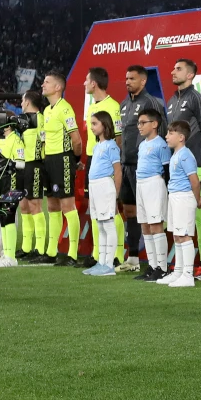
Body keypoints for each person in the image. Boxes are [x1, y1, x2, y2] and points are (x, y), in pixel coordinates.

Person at [165, 58, 201, 280]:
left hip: (195, 166)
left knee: (198, 212)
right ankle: (183, 266)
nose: (172, 72)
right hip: (177, 167)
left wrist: (198, 157)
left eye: (178, 69)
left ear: (190, 75)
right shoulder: (171, 101)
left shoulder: (198, 100)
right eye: (173, 68)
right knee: (181, 216)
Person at [118, 65, 167, 273]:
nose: (127, 81)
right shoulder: (123, 104)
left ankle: (159, 264)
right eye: (126, 78)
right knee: (131, 211)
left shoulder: (152, 103)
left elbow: (161, 133)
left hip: (144, 166)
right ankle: (134, 258)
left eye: (132, 78)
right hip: (126, 164)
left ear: (143, 81)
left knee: (153, 217)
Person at [39, 72, 82, 267]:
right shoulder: (47, 110)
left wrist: (75, 159)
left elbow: (76, 139)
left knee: (67, 206)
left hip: (63, 158)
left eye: (47, 82)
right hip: (49, 159)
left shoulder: (65, 109)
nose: (42, 84)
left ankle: (72, 254)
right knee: (52, 206)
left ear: (58, 87)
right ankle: (51, 251)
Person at [159, 120, 201, 287]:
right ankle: (179, 271)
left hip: (183, 197)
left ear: (181, 137)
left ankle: (187, 274)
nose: (166, 136)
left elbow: (194, 181)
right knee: (177, 235)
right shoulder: (177, 155)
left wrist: (197, 199)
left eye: (170, 133)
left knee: (184, 234)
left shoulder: (185, 155)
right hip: (175, 196)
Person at [82, 67, 121, 268]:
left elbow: (118, 137)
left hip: (105, 163)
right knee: (97, 215)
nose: (84, 83)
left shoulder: (112, 106)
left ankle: (116, 255)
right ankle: (99, 256)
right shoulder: (91, 107)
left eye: (86, 80)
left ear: (94, 83)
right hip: (93, 158)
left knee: (111, 214)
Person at [134, 108, 172, 282]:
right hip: (140, 184)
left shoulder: (161, 145)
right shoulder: (142, 145)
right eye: (138, 123)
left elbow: (167, 170)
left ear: (154, 124)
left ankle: (163, 267)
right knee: (145, 226)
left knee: (156, 225)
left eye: (143, 123)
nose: (139, 126)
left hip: (154, 183)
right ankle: (152, 265)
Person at [84, 111, 124, 277]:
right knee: (100, 225)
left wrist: (115, 194)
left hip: (105, 186)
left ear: (105, 125)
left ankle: (108, 264)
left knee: (107, 224)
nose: (91, 127)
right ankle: (101, 262)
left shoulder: (111, 145)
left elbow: (118, 171)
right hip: (94, 186)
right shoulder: (97, 146)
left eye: (95, 124)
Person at [16, 91, 47, 261]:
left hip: (35, 165)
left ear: (28, 102)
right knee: (24, 206)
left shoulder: (40, 119)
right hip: (23, 165)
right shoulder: (24, 120)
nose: (21, 103)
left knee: (35, 205)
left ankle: (40, 248)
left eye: (22, 100)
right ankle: (26, 247)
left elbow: (45, 142)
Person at [0, 124, 24, 267]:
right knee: (2, 215)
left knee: (9, 215)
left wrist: (8, 164)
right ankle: (6, 253)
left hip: (12, 181)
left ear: (8, 125)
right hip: (0, 183)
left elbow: (22, 163)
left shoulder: (16, 140)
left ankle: (11, 257)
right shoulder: (0, 141)